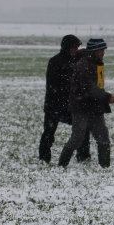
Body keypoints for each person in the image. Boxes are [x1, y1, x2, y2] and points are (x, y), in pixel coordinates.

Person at [58, 38, 114, 168]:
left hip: (95, 106)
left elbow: (98, 86)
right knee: (77, 138)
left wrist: (103, 97)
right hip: (80, 107)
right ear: (93, 51)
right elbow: (90, 88)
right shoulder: (83, 65)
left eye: (103, 50)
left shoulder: (98, 63)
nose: (103, 53)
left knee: (103, 137)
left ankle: (105, 167)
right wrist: (107, 97)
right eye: (100, 50)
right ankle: (61, 165)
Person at [38, 34, 90, 164]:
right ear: (67, 48)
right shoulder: (55, 62)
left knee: (83, 128)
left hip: (70, 105)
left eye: (78, 47)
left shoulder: (77, 60)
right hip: (54, 105)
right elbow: (54, 85)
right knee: (49, 133)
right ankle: (44, 158)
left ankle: (83, 156)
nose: (76, 49)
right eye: (74, 47)